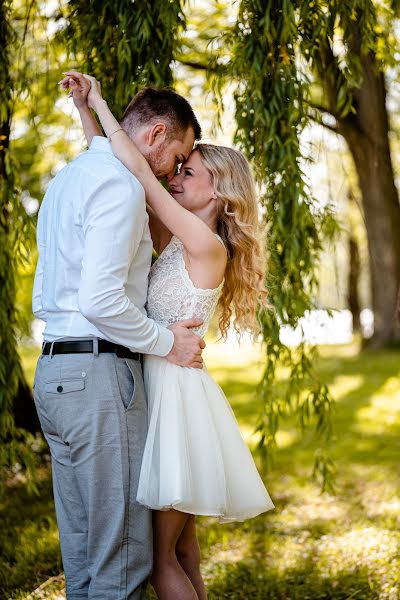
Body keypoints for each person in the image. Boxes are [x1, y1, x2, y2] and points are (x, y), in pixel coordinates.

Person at [64, 72, 275, 600]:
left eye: (191, 171)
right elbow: (120, 165)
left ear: (219, 190)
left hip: (174, 402)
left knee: (159, 562)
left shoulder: (205, 243)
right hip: (164, 387)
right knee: (183, 553)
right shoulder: (178, 236)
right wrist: (86, 116)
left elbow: (138, 166)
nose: (177, 176)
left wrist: (101, 103)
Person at [32, 77, 206, 600]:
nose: (175, 173)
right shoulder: (120, 185)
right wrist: (166, 342)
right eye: (178, 159)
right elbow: (101, 301)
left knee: (85, 558)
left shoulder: (73, 175)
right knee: (123, 564)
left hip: (56, 376)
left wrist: (90, 107)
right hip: (99, 381)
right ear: (155, 134)